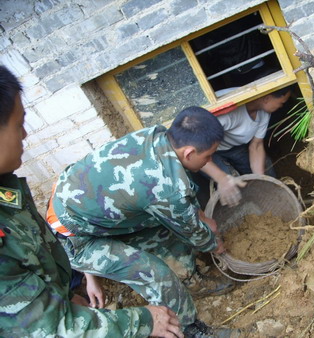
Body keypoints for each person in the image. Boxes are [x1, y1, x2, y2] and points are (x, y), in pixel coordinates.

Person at [0, 65, 183, 337]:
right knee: (156, 272)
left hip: (74, 262)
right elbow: (51, 328)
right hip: (78, 249)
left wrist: (64, 294)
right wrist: (142, 321)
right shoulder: (156, 177)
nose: (25, 135)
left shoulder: (8, 190)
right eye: (18, 124)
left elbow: (41, 256)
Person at [46, 105, 239, 336]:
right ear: (188, 153)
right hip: (77, 238)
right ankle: (189, 329)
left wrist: (201, 218)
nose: (209, 161)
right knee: (155, 273)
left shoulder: (156, 136)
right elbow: (192, 229)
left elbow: (181, 204)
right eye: (207, 156)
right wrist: (213, 242)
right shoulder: (164, 187)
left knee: (169, 232)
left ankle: (191, 281)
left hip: (89, 210)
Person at [200, 86, 293, 207]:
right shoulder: (227, 110)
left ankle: (272, 203)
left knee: (265, 167)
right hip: (208, 152)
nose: (281, 106)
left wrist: (261, 180)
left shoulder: (263, 113)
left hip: (234, 147)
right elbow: (197, 150)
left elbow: (256, 145)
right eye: (282, 102)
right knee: (233, 181)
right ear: (267, 98)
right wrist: (222, 178)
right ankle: (248, 210)